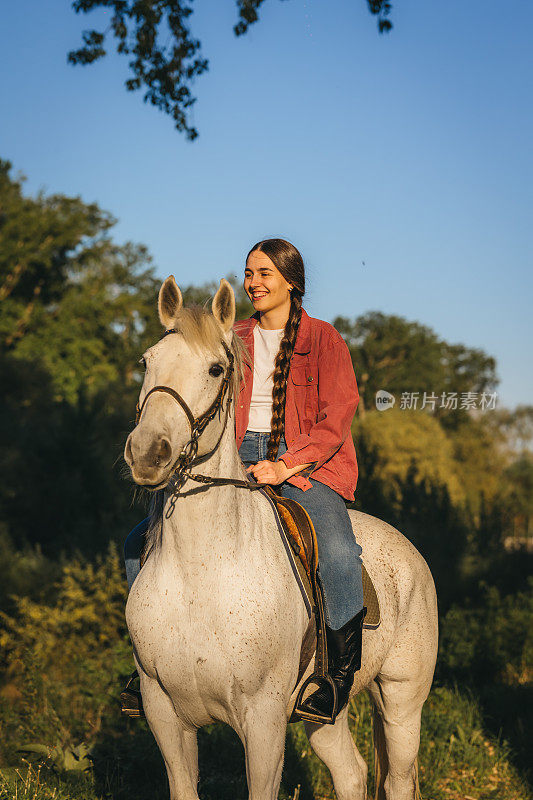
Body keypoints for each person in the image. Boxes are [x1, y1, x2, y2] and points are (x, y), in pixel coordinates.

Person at [123, 238, 365, 719]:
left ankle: (336, 675)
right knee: (137, 541)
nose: (253, 282)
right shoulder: (231, 335)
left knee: (338, 552)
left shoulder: (324, 339)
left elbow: (336, 420)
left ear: (292, 282)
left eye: (264, 274)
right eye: (249, 273)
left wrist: (284, 464)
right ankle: (146, 666)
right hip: (233, 457)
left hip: (307, 464)